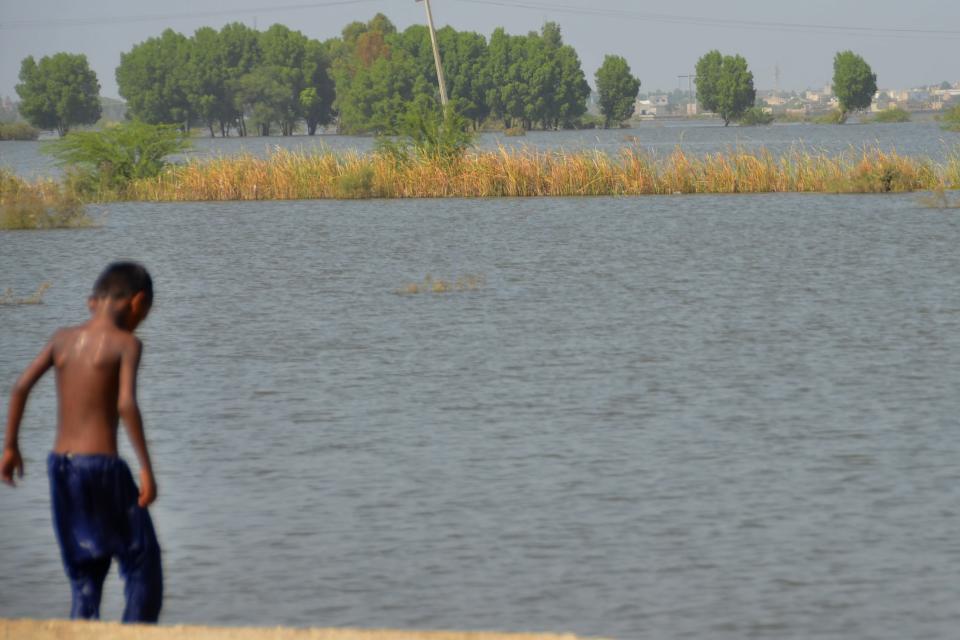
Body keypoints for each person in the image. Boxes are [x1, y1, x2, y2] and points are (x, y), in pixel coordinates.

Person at [1, 262, 163, 622]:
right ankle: (136, 632)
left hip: (61, 466)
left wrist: (10, 446)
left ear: (93, 302)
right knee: (141, 561)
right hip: (103, 466)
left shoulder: (62, 339)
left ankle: (82, 627)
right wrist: (147, 470)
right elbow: (125, 404)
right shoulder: (127, 344)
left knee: (85, 572)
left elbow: (21, 387)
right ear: (137, 303)